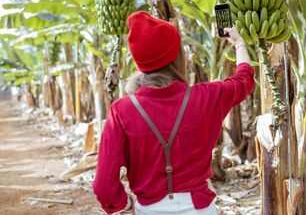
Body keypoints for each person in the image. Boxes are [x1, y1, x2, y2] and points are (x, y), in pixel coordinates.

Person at [93, 11, 255, 214]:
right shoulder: (206, 96)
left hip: (149, 210)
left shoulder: (121, 111)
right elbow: (244, 80)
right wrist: (238, 43)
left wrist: (125, 204)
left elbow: (103, 187)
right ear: (178, 57)